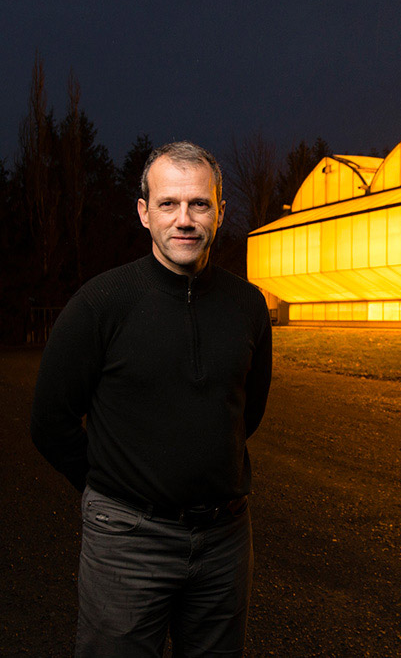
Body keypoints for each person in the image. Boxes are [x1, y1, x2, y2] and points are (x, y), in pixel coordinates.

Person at [30, 140, 272, 657]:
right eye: (168, 204)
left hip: (225, 542)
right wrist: (111, 491)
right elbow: (50, 422)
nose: (184, 219)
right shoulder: (102, 302)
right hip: (127, 541)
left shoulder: (247, 306)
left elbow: (245, 413)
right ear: (144, 213)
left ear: (220, 213)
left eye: (199, 204)